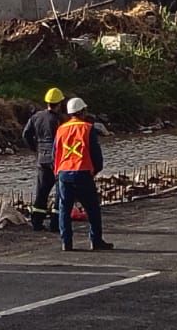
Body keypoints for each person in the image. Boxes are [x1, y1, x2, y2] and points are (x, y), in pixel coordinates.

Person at [53, 96, 112, 252]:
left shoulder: (61, 129)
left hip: (64, 173)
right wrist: (95, 170)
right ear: (82, 111)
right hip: (83, 172)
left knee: (64, 210)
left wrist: (57, 172)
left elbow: (56, 153)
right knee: (92, 208)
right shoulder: (88, 128)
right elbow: (95, 153)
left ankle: (66, 243)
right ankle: (96, 241)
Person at [22, 86, 67, 232]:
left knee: (41, 192)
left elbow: (26, 134)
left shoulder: (36, 117)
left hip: (42, 158)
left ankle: (37, 222)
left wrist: (35, 149)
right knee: (60, 192)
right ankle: (55, 223)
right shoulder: (59, 120)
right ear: (59, 103)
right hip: (57, 159)